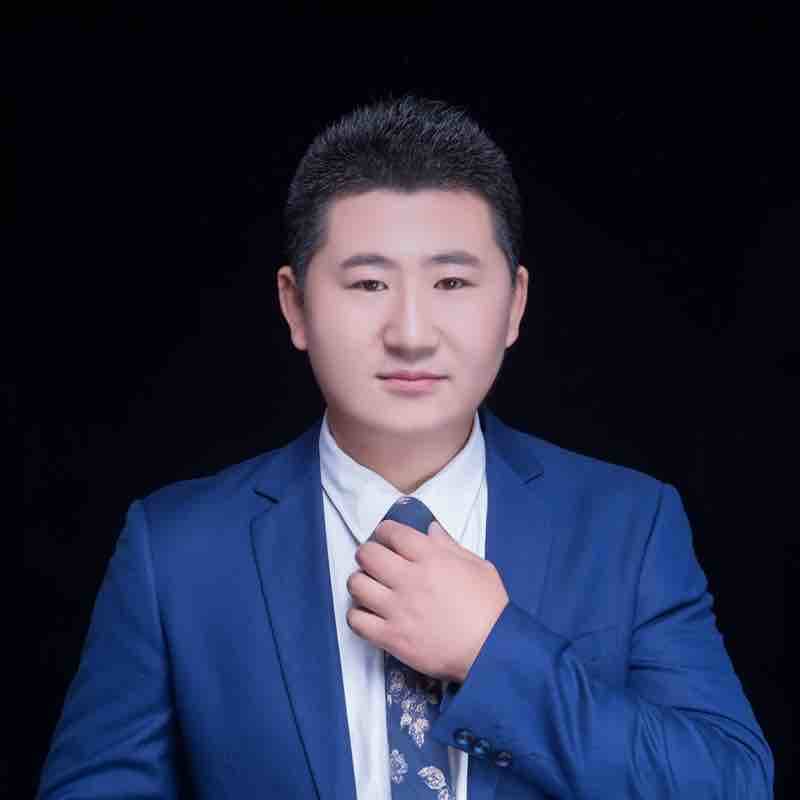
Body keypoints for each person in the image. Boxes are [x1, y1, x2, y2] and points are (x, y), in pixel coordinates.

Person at [37, 96, 773, 799]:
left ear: (514, 304)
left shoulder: (628, 525)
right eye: (368, 284)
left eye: (451, 281)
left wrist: (495, 652)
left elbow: (732, 783)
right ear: (295, 305)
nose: (412, 334)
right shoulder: (176, 550)